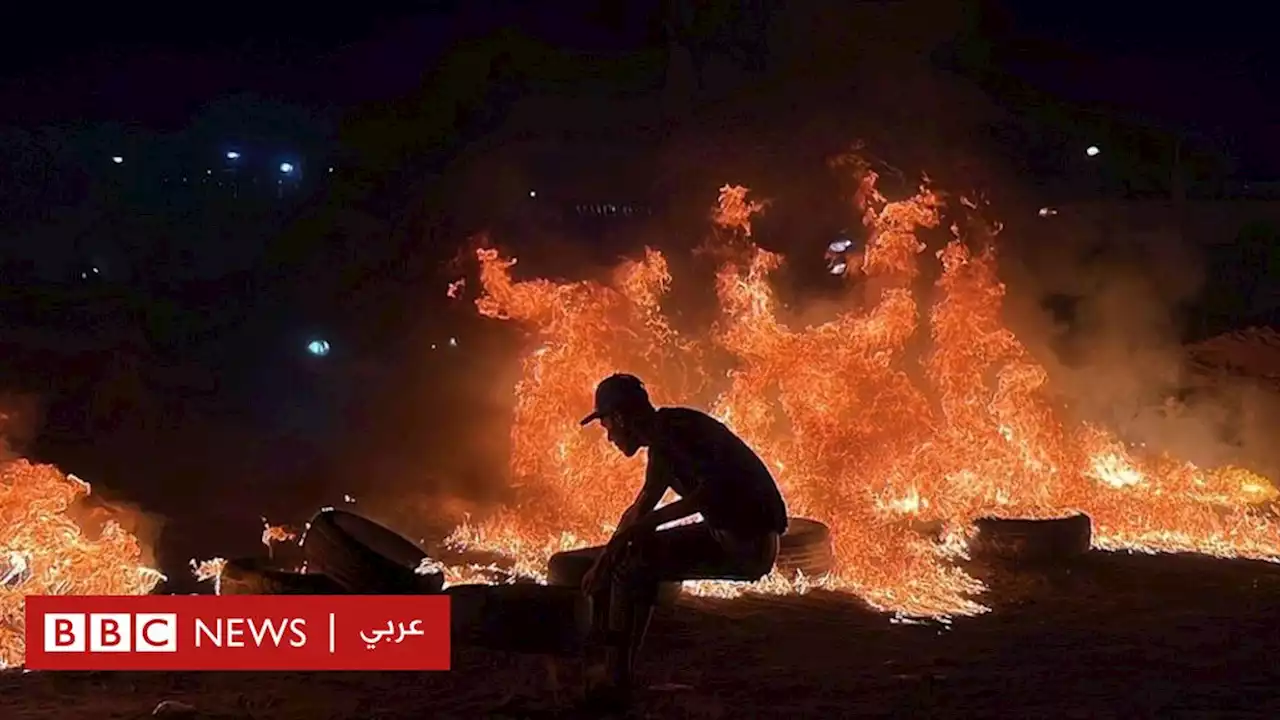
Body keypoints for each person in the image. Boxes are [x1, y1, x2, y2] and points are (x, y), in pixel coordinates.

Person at [577, 373, 788, 709]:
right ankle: (619, 673)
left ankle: (615, 680)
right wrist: (605, 557)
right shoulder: (665, 440)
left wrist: (642, 529)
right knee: (635, 556)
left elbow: (710, 493)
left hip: (749, 546)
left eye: (606, 427)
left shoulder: (679, 432)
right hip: (732, 538)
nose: (609, 438)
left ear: (619, 417)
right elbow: (640, 508)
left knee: (634, 564)